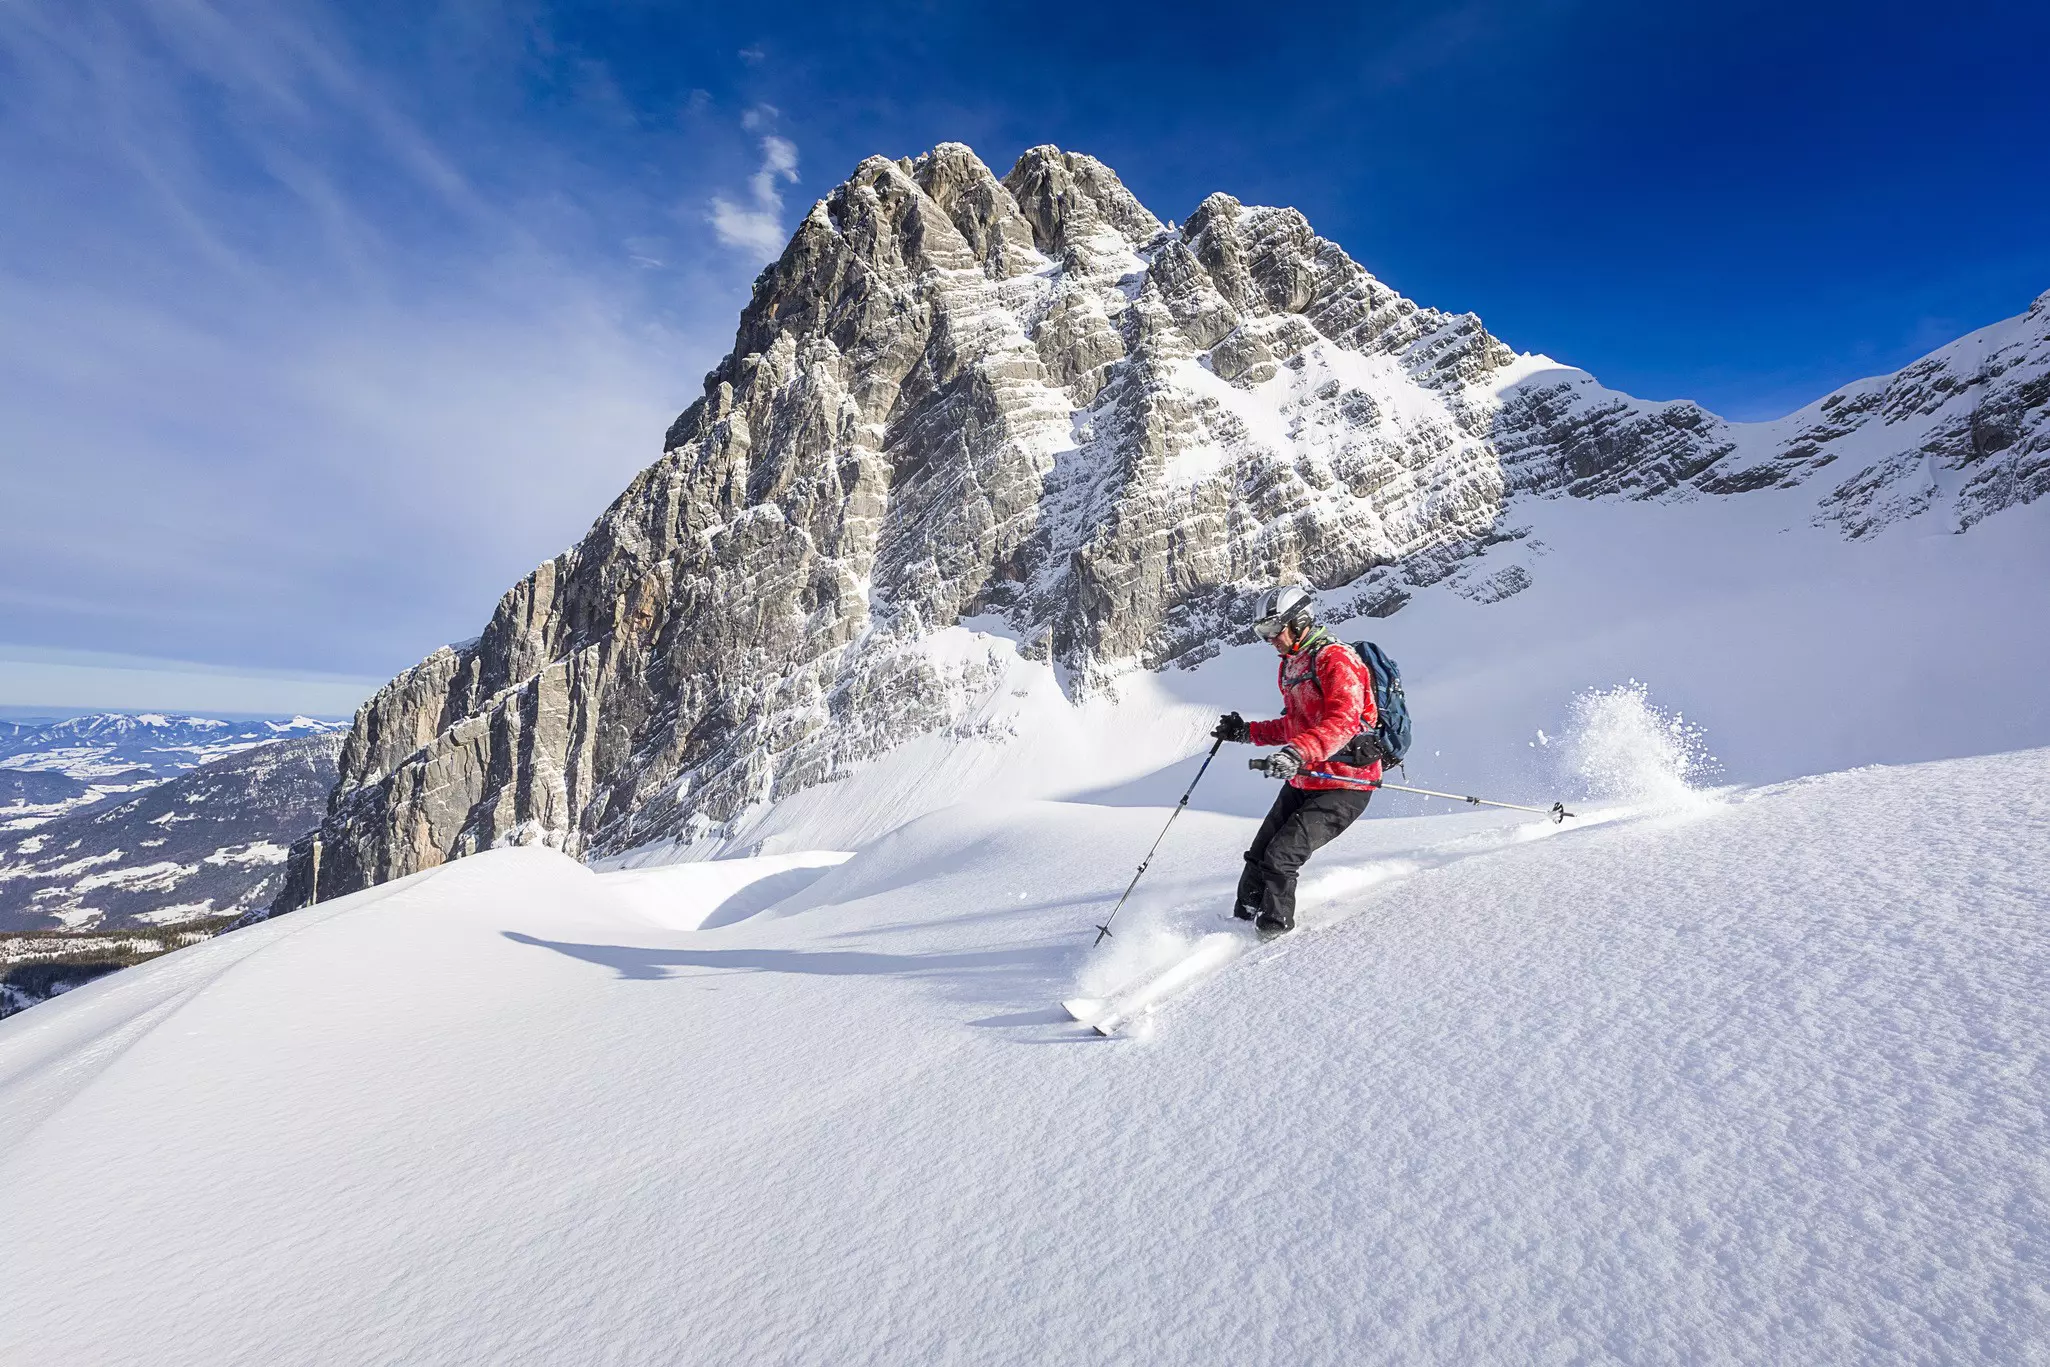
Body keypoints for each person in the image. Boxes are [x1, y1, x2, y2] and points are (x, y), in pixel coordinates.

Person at [1211, 585, 1381, 939]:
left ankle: (1271, 937)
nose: (1269, 639)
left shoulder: (1337, 660)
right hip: (1306, 778)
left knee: (1282, 856)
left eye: (1274, 629)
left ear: (1299, 621)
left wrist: (1296, 753)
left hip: (1347, 783)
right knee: (1259, 854)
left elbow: (1344, 722)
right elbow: (1295, 724)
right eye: (1263, 632)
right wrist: (1246, 732)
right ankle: (1238, 926)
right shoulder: (1292, 665)